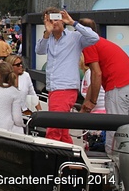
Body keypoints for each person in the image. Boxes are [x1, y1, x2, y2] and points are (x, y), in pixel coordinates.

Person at [35, 8, 99, 143]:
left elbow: (94, 37)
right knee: (62, 130)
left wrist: (72, 22)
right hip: (54, 88)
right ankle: (69, 159)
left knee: (54, 127)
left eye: (56, 19)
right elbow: (39, 50)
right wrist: (47, 32)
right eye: (50, 20)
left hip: (65, 88)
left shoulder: (74, 37)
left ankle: (51, 157)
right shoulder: (49, 38)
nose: (54, 23)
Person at [78, 18, 129, 149]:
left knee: (114, 129)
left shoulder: (89, 43)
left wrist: (92, 101)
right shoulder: (103, 43)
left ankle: (112, 162)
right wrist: (87, 103)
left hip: (118, 86)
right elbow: (94, 79)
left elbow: (96, 74)